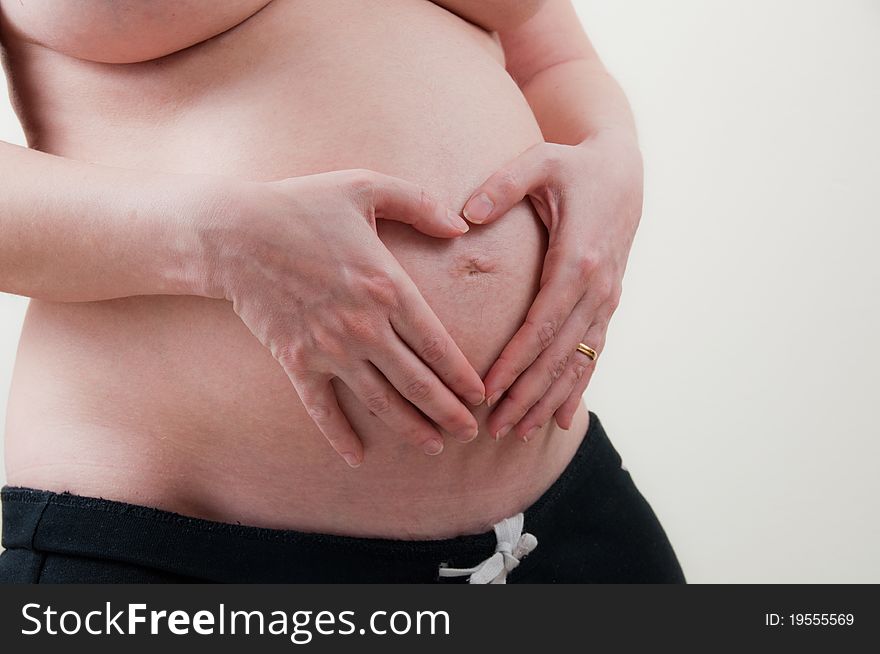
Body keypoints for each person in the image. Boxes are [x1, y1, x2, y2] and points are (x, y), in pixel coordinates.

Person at [0, 0, 684, 583]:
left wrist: (611, 157)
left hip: (560, 525)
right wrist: (216, 244)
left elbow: (548, 54)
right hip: (173, 549)